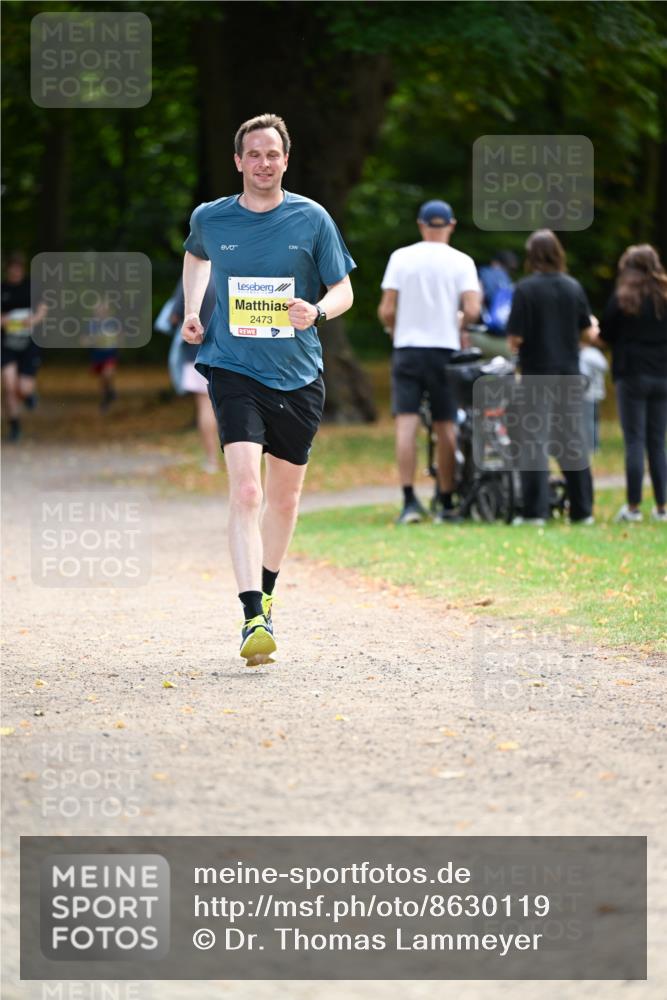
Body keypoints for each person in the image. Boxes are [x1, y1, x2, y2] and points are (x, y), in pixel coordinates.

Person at [181, 113, 355, 664]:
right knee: (248, 492)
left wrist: (318, 310)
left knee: (284, 498)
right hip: (233, 368)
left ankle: (269, 596)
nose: (262, 164)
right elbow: (195, 254)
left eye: (272, 155)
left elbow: (344, 287)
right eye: (252, 154)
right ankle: (251, 614)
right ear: (238, 161)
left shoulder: (312, 218)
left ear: (286, 159)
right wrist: (191, 310)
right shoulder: (213, 218)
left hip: (299, 373)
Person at [377, 199, 481, 524]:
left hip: (408, 348)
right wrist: (460, 323)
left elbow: (387, 308)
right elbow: (474, 309)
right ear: (451, 225)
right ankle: (447, 500)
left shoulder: (401, 257)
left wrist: (395, 331)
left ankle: (409, 500)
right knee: (446, 425)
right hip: (444, 350)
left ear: (421, 225)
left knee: (405, 424)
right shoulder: (462, 262)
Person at [506, 229, 597, 525]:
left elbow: (515, 338)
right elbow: (587, 331)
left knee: (534, 441)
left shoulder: (525, 289)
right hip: (569, 373)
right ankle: (583, 510)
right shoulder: (573, 287)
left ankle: (535, 512)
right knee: (571, 440)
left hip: (536, 374)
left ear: (531, 256)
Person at [598, 244, 667, 523]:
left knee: (635, 441)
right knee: (658, 443)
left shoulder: (623, 298)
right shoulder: (664, 297)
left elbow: (605, 335)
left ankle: (634, 506)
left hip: (631, 375)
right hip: (663, 375)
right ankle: (663, 507)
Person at [169, 275, 220, 473]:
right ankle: (239, 459)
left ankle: (212, 460)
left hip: (197, 353)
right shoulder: (233, 269)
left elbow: (174, 316)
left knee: (205, 406)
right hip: (232, 353)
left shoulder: (191, 277)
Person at [1, 252, 47, 441]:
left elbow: (43, 309)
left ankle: (29, 395)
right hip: (6, 344)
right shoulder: (2, 288)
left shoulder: (32, 287)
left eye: (18, 267)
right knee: (9, 386)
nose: (15, 271)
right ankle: (14, 426)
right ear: (8, 269)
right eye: (12, 267)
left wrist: (33, 320)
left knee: (23, 388)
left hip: (29, 344)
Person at [472, 249, 519, 359]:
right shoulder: (510, 284)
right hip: (507, 342)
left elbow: (474, 306)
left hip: (481, 338)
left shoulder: (483, 274)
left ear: (494, 263)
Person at [579, 342, 608, 453]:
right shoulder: (596, 354)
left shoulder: (583, 355)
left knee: (588, 422)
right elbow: (605, 367)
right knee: (595, 422)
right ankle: (595, 446)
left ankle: (590, 448)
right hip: (598, 392)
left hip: (586, 394)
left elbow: (583, 375)